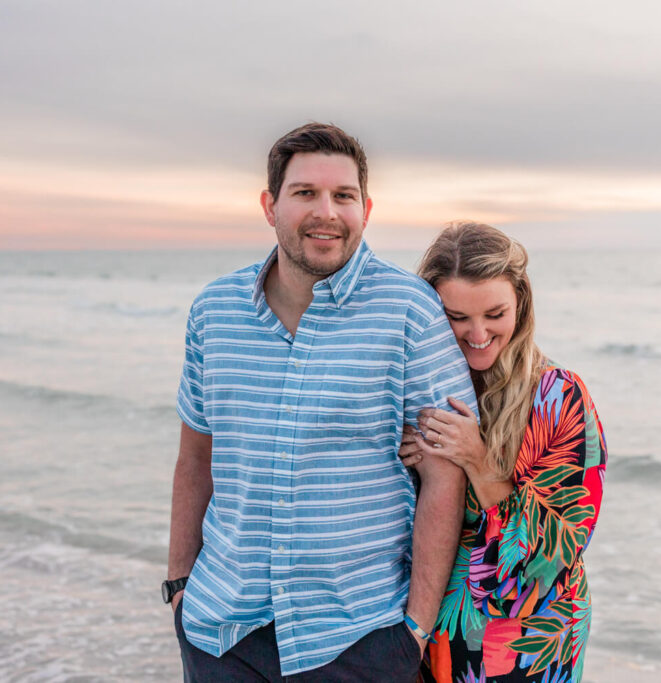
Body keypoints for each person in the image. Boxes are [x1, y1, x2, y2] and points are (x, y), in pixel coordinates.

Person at [165, 123, 477, 681]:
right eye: (305, 193)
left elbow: (444, 473)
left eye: (343, 195)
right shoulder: (214, 311)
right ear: (270, 205)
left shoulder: (410, 311)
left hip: (357, 639)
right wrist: (179, 585)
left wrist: (416, 630)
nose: (326, 212)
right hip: (220, 631)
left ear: (367, 207)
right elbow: (195, 457)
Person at [399, 221, 607, 682]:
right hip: (424, 635)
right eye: (457, 317)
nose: (478, 333)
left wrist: (476, 459)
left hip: (527, 642)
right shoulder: (414, 391)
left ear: (522, 305)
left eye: (495, 314)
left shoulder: (558, 398)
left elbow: (558, 549)